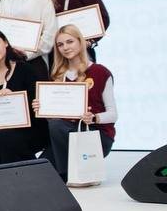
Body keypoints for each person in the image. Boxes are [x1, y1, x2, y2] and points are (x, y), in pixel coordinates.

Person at [33, 25, 117, 179]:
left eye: (69, 42)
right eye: (60, 44)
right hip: (65, 137)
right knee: (39, 173)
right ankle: (71, 174)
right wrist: (43, 109)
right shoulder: (57, 76)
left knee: (56, 127)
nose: (65, 47)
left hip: (95, 136)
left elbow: (113, 114)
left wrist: (94, 118)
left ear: (80, 42)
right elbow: (54, 119)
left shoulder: (100, 72)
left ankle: (65, 175)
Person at [0, 27, 47, 164]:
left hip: (27, 129)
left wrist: (14, 99)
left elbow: (36, 107)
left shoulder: (25, 69)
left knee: (6, 137)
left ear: (5, 43)